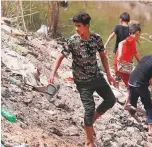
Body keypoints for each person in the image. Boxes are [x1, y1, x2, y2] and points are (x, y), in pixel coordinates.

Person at [48, 12, 116, 147]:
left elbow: (103, 56)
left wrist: (109, 74)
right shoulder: (72, 41)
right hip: (83, 82)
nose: (76, 29)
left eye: (79, 26)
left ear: (87, 26)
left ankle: (89, 122)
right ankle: (89, 141)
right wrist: (52, 73)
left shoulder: (96, 39)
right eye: (75, 26)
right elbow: (60, 57)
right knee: (89, 109)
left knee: (111, 100)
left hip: (97, 77)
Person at [115, 24, 141, 109]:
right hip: (122, 65)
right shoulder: (131, 39)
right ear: (135, 33)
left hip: (120, 65)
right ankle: (126, 105)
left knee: (128, 84)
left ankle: (122, 102)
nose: (138, 36)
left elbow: (136, 55)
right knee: (131, 86)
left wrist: (143, 64)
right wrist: (120, 54)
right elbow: (121, 43)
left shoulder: (133, 42)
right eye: (138, 34)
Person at [104, 12, 130, 81]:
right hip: (126, 51)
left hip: (118, 49)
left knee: (116, 64)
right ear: (128, 20)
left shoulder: (118, 27)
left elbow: (112, 35)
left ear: (121, 19)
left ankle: (118, 77)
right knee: (124, 64)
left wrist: (106, 44)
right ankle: (124, 77)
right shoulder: (130, 29)